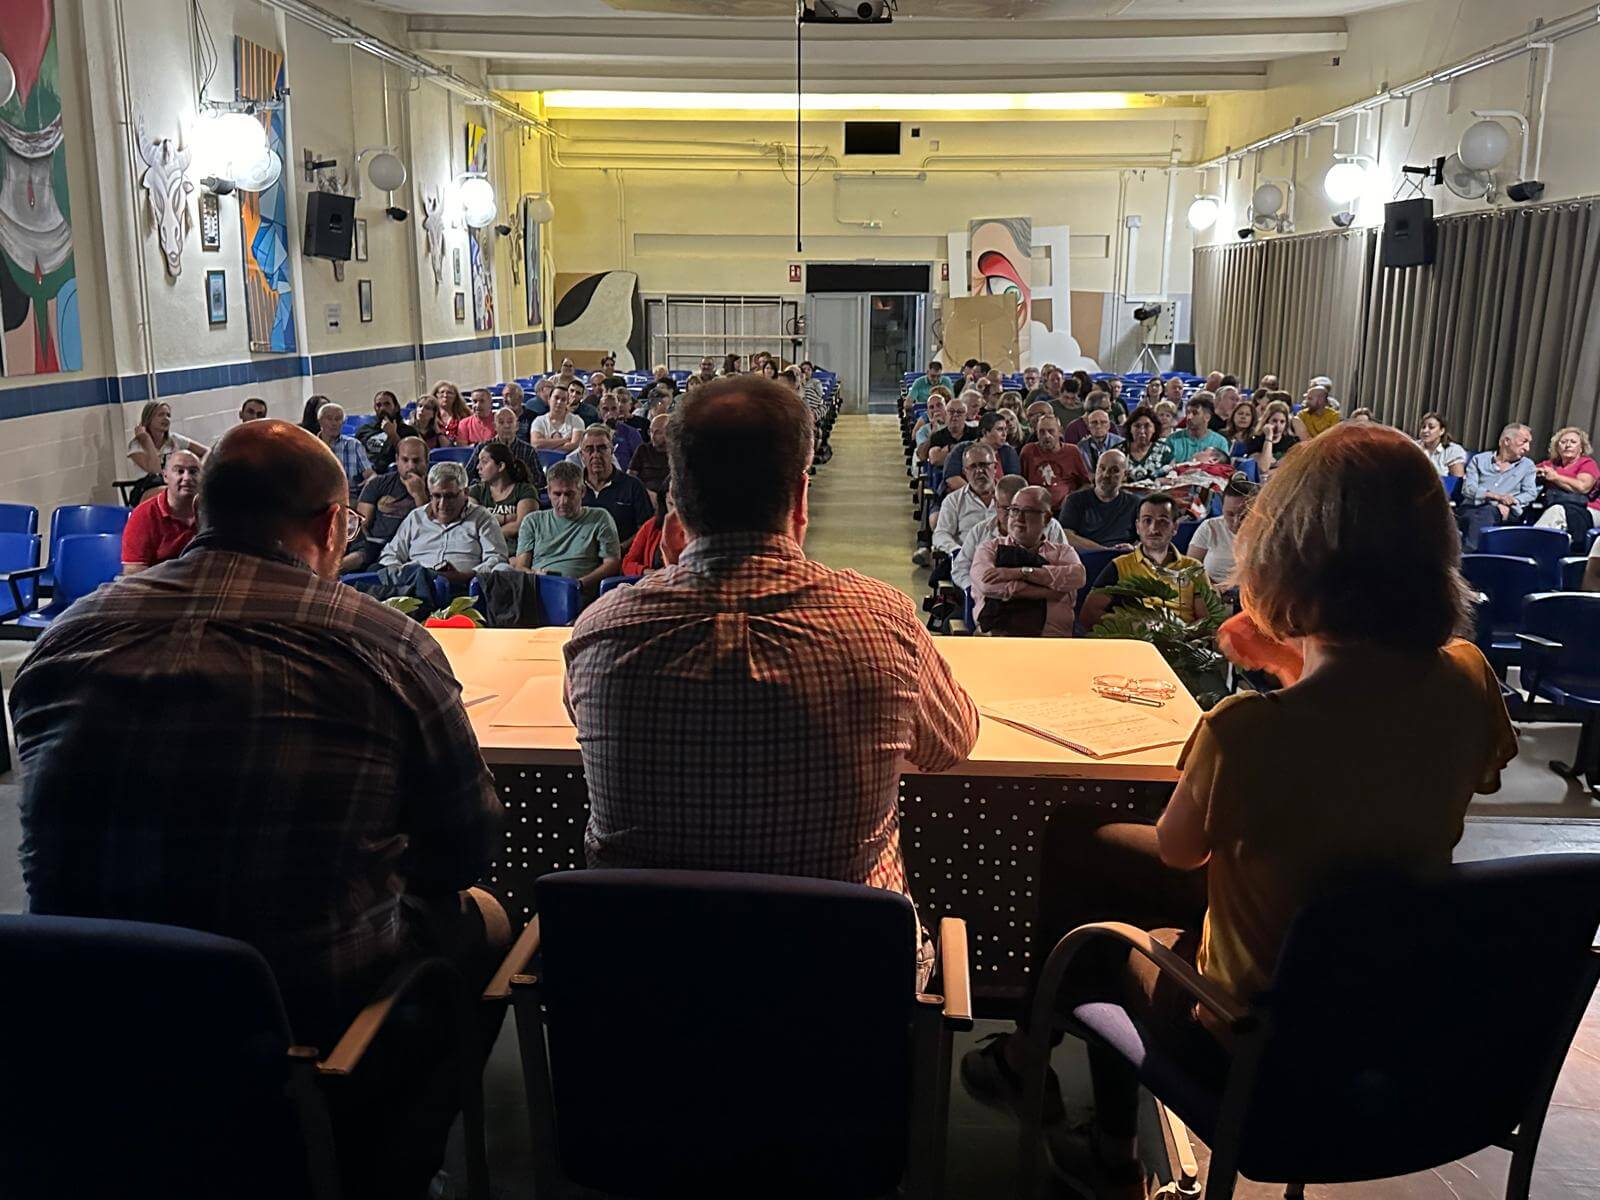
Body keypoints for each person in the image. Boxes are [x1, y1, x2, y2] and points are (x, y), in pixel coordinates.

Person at [964, 425, 1515, 1198]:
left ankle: (1078, 1113)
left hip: (1246, 1036)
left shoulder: (1249, 729)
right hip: (1388, 1014)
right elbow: (1378, 751)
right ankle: (1068, 1106)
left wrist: (1283, 674)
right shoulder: (1468, 676)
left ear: (1284, 554)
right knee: (1096, 848)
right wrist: (1296, 660)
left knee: (1099, 889)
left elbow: (1179, 851)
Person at [12, 419, 508, 1199]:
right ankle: (392, 1162)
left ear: (203, 511)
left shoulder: (69, 636)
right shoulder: (383, 644)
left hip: (86, 1006)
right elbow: (463, 849)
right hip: (295, 1012)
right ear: (332, 525)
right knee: (485, 919)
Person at [563, 375, 980, 984]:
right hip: (844, 991)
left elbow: (581, 719)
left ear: (676, 503)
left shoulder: (601, 632)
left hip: (645, 992)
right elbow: (951, 745)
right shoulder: (883, 621)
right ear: (801, 497)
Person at [1078, 492, 1218, 630]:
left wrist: (1182, 632)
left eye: (1162, 521)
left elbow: (1206, 620)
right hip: (1136, 639)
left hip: (1184, 639)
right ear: (1138, 527)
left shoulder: (1193, 568)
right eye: (1147, 520)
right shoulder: (1120, 566)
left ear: (1175, 527)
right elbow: (1088, 614)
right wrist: (1132, 627)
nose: (1154, 529)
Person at [970, 486, 1086, 637]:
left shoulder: (1063, 553)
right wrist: (1049, 592)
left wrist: (1020, 573)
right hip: (999, 638)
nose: (1019, 518)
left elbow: (1078, 577)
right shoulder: (990, 549)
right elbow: (988, 585)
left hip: (1052, 640)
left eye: (1028, 511)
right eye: (1014, 510)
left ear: (1046, 518)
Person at [379, 461, 509, 592]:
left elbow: (496, 559)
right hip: (415, 586)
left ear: (465, 493)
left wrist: (466, 576)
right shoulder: (416, 518)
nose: (442, 504)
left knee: (504, 571)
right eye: (436, 496)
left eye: (449, 496)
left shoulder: (482, 518)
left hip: (464, 588)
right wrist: (401, 574)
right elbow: (390, 555)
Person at [514, 461, 620, 600]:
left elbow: (612, 563)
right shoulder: (532, 521)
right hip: (539, 590)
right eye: (557, 494)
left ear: (582, 492)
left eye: (569, 494)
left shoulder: (600, 518)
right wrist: (537, 576)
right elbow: (521, 567)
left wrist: (579, 584)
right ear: (548, 492)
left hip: (581, 593)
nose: (563, 501)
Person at [953, 473, 1068, 593]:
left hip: (1044, 596)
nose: (1016, 516)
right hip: (991, 597)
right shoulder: (980, 532)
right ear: (995, 503)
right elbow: (960, 569)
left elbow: (1066, 571)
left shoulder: (1050, 527)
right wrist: (972, 590)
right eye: (1008, 509)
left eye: (1024, 509)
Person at [343, 436, 429, 572]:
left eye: (416, 461)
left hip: (411, 546)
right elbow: (362, 524)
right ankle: (327, 572)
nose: (411, 466)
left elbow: (429, 527)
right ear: (397, 460)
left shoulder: (436, 489)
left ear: (426, 461)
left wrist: (418, 494)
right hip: (375, 544)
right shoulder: (378, 483)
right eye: (405, 460)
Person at [1457, 423, 1538, 551]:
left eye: (1529, 443)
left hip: (1504, 511)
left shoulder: (1527, 466)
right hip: (1472, 507)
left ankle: (1469, 555)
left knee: (1486, 513)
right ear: (1506, 441)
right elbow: (1468, 489)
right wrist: (1497, 497)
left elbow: (1530, 493)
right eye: (1524, 442)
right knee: (1470, 517)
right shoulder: (1479, 460)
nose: (1527, 448)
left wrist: (1512, 501)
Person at [577, 424, 655, 552]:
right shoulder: (573, 487)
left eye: (602, 448)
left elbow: (646, 528)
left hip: (624, 554)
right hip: (580, 555)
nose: (596, 455)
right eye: (589, 449)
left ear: (612, 451)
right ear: (581, 455)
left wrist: (619, 549)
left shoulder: (633, 486)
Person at [121, 449, 200, 572]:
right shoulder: (143, 515)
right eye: (179, 471)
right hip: (156, 582)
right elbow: (133, 572)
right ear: (165, 476)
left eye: (193, 472)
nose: (187, 477)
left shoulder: (214, 510)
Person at [1057, 450, 1138, 552]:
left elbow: (1146, 538)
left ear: (1125, 475)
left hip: (1124, 557)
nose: (1106, 475)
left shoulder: (1135, 503)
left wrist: (1134, 548)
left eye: (1114, 470)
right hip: (1086, 557)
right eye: (1102, 468)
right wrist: (1105, 551)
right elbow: (1066, 536)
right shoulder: (1075, 500)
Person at [127, 401, 209, 502]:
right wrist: (147, 440)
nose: (166, 418)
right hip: (147, 489)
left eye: (168, 415)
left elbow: (208, 453)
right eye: (161, 415)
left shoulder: (174, 440)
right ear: (148, 419)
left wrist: (197, 469)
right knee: (179, 492)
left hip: (174, 484)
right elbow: (155, 470)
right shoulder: (136, 445)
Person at [1530, 426, 1600, 544]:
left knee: (1556, 512)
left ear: (1581, 448)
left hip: (1588, 509)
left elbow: (1583, 487)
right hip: (1556, 506)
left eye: (1573, 442)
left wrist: (1555, 477)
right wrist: (1535, 472)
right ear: (1557, 447)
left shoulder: (1587, 463)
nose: (1568, 445)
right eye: (1563, 442)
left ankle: (1529, 545)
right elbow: (1528, 472)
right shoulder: (1551, 464)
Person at [932, 443, 1000, 558]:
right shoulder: (953, 500)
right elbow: (941, 534)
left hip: (1003, 560)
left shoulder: (1011, 498)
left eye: (984, 465)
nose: (979, 471)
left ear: (995, 467)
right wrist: (956, 551)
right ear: (965, 472)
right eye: (973, 466)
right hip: (967, 559)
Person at [1188, 472, 1255, 587]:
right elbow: (1191, 570)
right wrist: (1212, 589)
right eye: (1230, 514)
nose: (1236, 522)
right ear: (1222, 509)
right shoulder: (1210, 527)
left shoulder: (1268, 534)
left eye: (1244, 515)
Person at [469, 441, 541, 543]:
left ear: (501, 466)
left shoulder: (525, 490)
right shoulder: (476, 491)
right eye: (479, 462)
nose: (478, 467)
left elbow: (521, 526)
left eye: (484, 462)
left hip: (514, 548)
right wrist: (505, 518)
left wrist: (486, 534)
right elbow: (472, 524)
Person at [1019, 413, 1091, 509]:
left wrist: (1071, 498)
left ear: (1060, 431)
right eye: (1042, 432)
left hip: (1066, 509)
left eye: (1051, 431)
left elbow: (1087, 484)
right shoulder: (1028, 451)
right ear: (1036, 433)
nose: (1046, 435)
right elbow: (1021, 483)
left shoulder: (1072, 451)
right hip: (1035, 508)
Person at [466, 406, 547, 489]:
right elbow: (468, 476)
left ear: (517, 426)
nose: (506, 426)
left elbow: (539, 480)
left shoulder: (528, 450)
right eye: (501, 422)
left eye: (510, 422)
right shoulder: (483, 447)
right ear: (495, 426)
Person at [946, 412, 1021, 491]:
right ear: (985, 432)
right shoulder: (962, 449)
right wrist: (976, 494)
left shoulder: (1008, 452)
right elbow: (952, 478)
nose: (1004, 434)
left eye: (1005, 429)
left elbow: (1013, 482)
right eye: (999, 429)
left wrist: (995, 495)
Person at [315, 402, 374, 501]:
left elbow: (370, 474)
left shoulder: (354, 444)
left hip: (349, 496)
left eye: (338, 419)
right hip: (319, 496)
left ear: (343, 422)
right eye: (329, 419)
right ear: (320, 421)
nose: (334, 423)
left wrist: (370, 480)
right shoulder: (311, 444)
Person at [353, 390, 419, 474]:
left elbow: (410, 457)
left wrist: (393, 435)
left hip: (393, 475)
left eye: (387, 404)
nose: (382, 408)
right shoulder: (364, 430)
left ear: (396, 407)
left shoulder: (408, 431)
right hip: (366, 473)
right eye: (378, 405)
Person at [1164, 393, 1231, 463]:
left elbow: (1223, 468)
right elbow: (1165, 467)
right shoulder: (1173, 439)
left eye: (1195, 413)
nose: (1189, 417)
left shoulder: (1220, 442)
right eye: (1188, 413)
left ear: (1207, 417)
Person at [1121, 404, 1174, 483]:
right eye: (1137, 426)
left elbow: (1172, 479)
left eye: (1147, 426)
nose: (1142, 431)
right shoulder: (1118, 451)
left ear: (1154, 429)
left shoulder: (1165, 451)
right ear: (1130, 428)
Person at [1247, 399, 1300, 474]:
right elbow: (1263, 468)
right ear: (1266, 421)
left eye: (1282, 422)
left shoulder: (1292, 442)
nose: (1278, 426)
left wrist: (1273, 470)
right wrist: (1268, 437)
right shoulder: (1255, 440)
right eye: (1274, 421)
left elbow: (1293, 469)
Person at [530, 385, 586, 451]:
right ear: (549, 399)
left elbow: (575, 445)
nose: (559, 402)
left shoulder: (577, 420)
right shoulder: (539, 421)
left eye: (563, 400)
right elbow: (536, 444)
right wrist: (565, 440)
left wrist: (547, 446)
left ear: (567, 403)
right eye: (556, 398)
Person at [629, 413, 672, 498]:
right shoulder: (643, 449)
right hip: (645, 495)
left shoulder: (677, 451)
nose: (653, 436)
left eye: (658, 432)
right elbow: (631, 476)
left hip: (670, 495)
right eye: (651, 432)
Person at [924, 398, 972, 468]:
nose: (955, 415)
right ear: (945, 414)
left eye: (960, 412)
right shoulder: (937, 436)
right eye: (951, 411)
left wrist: (946, 450)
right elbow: (935, 459)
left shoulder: (975, 433)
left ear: (966, 415)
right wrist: (967, 449)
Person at [1417, 411, 1466, 478]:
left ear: (1442, 431)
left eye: (1431, 427)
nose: (1425, 430)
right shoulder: (1413, 446)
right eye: (1423, 427)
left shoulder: (1453, 450)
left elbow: (1457, 481)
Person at [1076, 408, 1125, 472]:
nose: (1098, 426)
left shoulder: (1122, 443)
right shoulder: (1081, 447)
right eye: (1094, 422)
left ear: (1109, 425)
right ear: (1088, 427)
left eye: (1103, 422)